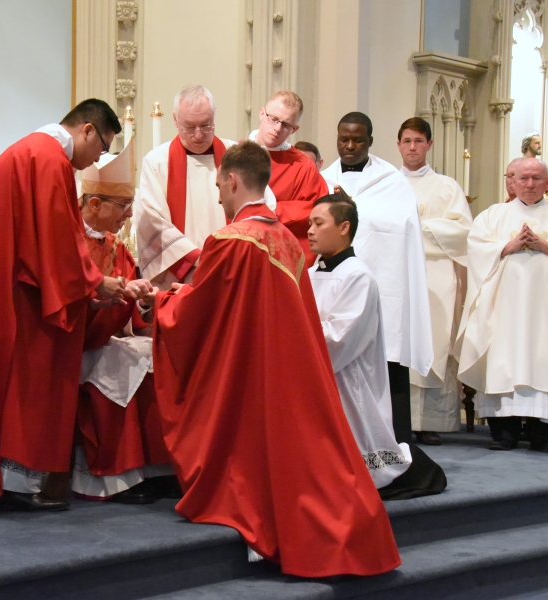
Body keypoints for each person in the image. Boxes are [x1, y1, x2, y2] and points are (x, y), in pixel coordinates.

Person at [149, 141, 400, 577]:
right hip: (286, 370)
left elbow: (198, 313)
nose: (220, 196)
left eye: (219, 186)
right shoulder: (286, 239)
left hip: (249, 371)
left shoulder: (231, 241)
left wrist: (162, 300)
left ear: (231, 179)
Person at [0, 99, 142, 512]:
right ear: (88, 130)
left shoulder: (30, 151)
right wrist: (98, 282)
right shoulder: (48, 159)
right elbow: (56, 239)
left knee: (6, 378)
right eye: (101, 147)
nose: (97, 158)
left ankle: (1, 482)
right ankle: (12, 485)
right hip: (14, 287)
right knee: (31, 372)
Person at [308, 195, 447, 500]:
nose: (310, 231)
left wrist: (296, 336)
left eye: (319, 223)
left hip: (347, 378)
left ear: (344, 227)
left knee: (361, 462)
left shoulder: (357, 275)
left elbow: (340, 338)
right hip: (317, 377)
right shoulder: (310, 274)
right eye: (310, 224)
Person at [70, 137, 175, 504]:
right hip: (72, 347)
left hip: (106, 342)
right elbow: (61, 297)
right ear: (94, 203)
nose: (130, 215)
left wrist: (143, 300)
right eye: (124, 205)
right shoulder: (68, 242)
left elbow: (133, 313)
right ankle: (115, 474)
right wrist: (100, 299)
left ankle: (154, 469)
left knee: (151, 355)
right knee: (120, 361)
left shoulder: (116, 245)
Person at [322, 112, 433, 444]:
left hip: (384, 287)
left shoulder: (391, 181)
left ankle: (395, 442)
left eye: (358, 139)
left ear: (371, 141)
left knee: (388, 361)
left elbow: (401, 232)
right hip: (338, 289)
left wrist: (357, 213)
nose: (351, 145)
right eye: (344, 139)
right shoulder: (322, 179)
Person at [456, 158, 548, 453]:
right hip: (503, 310)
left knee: (545, 361)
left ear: (547, 183)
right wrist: (507, 247)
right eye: (523, 178)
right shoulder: (492, 216)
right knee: (503, 361)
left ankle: (544, 435)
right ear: (512, 181)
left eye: (537, 179)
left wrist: (547, 246)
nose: (530, 184)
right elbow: (475, 250)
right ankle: (504, 433)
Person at [397, 118, 473, 446]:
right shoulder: (387, 183)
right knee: (401, 344)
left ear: (429, 145)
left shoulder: (447, 187)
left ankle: (429, 422)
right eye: (407, 141)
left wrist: (421, 228)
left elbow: (463, 232)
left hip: (436, 275)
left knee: (433, 341)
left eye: (418, 141)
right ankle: (400, 421)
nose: (412, 147)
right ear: (398, 144)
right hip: (398, 275)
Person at [136, 84, 248, 286]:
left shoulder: (237, 156)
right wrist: (196, 259)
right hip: (182, 276)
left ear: (214, 117)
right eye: (189, 127)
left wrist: (230, 256)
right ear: (175, 120)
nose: (198, 135)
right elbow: (152, 220)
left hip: (233, 269)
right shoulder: (157, 162)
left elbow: (258, 207)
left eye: (206, 125)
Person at [250, 91, 328, 266]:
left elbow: (316, 211)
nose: (277, 128)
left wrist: (272, 209)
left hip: (278, 260)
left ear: (295, 129)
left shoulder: (303, 166)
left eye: (286, 125)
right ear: (262, 113)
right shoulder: (233, 153)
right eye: (274, 119)